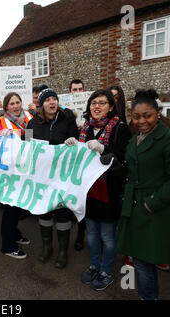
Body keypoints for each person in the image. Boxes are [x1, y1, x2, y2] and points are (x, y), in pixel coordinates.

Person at [116, 89, 170, 300]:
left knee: (144, 260)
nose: (141, 121)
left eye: (147, 115)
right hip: (134, 207)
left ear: (158, 113)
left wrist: (151, 204)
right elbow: (130, 172)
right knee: (139, 259)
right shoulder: (134, 140)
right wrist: (110, 162)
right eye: (136, 116)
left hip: (154, 210)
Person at [65, 89, 132, 290]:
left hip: (109, 191)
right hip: (88, 190)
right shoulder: (85, 127)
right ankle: (95, 265)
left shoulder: (120, 128)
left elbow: (123, 159)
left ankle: (106, 271)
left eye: (102, 103)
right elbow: (80, 160)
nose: (97, 106)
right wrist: (74, 144)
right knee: (92, 233)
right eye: (94, 102)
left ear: (110, 107)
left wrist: (105, 150)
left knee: (108, 236)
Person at [27, 88, 79, 268]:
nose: (52, 102)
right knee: (45, 210)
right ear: (41, 104)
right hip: (41, 176)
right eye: (47, 99)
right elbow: (26, 146)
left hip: (62, 176)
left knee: (62, 212)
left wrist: (72, 141)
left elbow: (77, 139)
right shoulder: (32, 123)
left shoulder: (67, 120)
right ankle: (47, 246)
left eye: (54, 99)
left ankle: (63, 251)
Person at [0, 92, 32, 259]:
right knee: (10, 208)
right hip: (8, 172)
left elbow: (31, 141)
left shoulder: (29, 118)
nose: (15, 106)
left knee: (18, 206)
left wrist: (25, 132)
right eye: (11, 103)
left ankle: (15, 234)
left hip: (24, 169)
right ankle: (7, 246)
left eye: (18, 102)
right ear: (6, 106)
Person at [69, 79, 86, 250]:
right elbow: (28, 140)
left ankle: (81, 234)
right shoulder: (33, 119)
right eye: (75, 89)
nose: (78, 91)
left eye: (80, 89)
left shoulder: (89, 114)